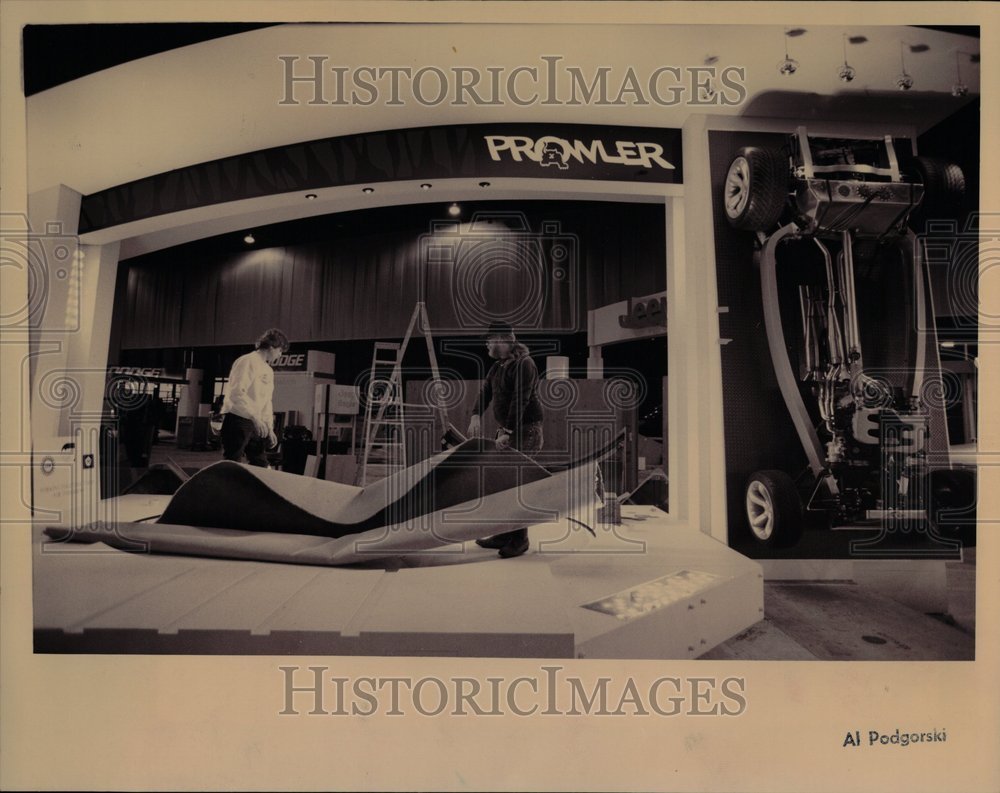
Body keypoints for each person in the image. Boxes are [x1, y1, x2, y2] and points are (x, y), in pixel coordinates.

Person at [467, 321, 545, 558]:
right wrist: (475, 415)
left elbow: (520, 400)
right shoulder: (499, 367)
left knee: (515, 484)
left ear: (502, 339)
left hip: (526, 432)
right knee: (500, 483)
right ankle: (503, 533)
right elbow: (485, 392)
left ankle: (520, 539)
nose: (487, 345)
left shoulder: (524, 364)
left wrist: (508, 431)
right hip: (511, 431)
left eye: (489, 340)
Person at [220, 328, 289, 466]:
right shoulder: (247, 361)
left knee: (260, 463)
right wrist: (255, 418)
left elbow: (266, 401)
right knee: (232, 462)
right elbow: (237, 393)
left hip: (255, 422)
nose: (280, 355)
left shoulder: (268, 370)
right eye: (280, 350)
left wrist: (269, 427)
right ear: (270, 347)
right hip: (238, 419)